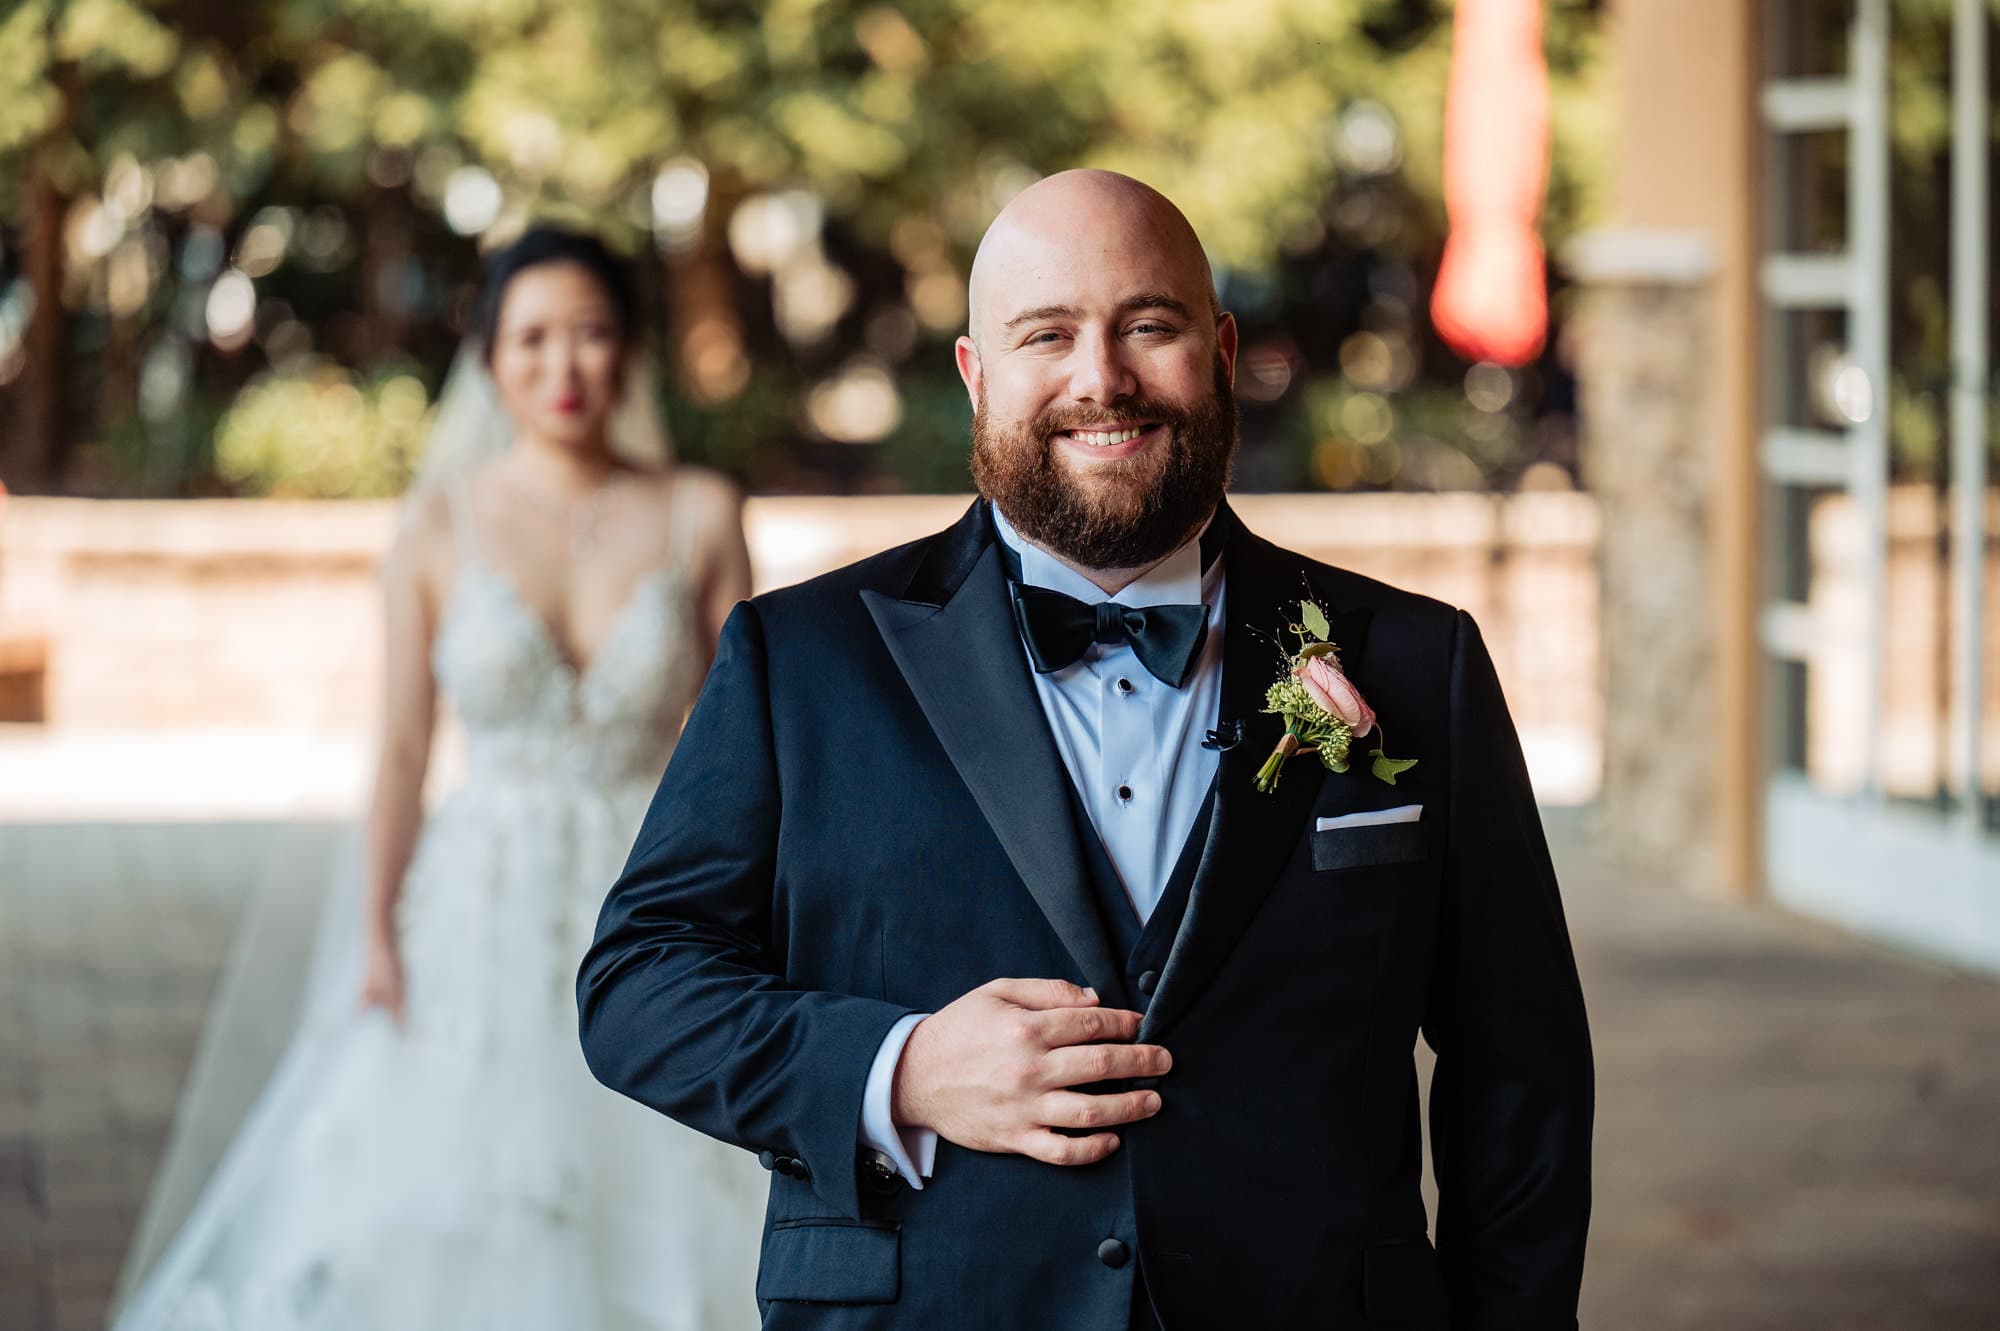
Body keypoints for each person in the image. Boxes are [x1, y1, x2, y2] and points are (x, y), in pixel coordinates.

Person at [577, 170, 1594, 1329]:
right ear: (977, 375)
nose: (1099, 377)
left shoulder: (1420, 667)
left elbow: (1521, 1075)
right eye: (1045, 334)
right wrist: (897, 1069)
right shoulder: (797, 660)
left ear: (1216, 349)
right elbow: (637, 985)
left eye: (1146, 326)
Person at [116, 226, 765, 1331]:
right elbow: (405, 747)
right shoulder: (436, 523)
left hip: (653, 879)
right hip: (481, 897)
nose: (565, 366)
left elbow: (749, 740)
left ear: (631, 354)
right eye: (534, 338)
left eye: (594, 334)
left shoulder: (701, 510)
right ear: (490, 357)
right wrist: (375, 925)